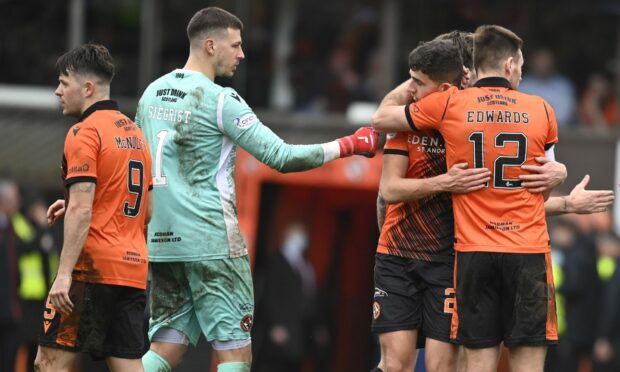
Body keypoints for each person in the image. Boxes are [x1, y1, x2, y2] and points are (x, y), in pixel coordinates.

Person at [135, 7, 378, 372]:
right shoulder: (220, 101)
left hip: (162, 244)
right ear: (211, 45)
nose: (242, 54)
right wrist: (350, 145)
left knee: (164, 349)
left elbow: (135, 167)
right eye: (236, 45)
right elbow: (281, 156)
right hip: (211, 242)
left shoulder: (151, 95)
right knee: (236, 356)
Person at [372, 36, 614, 372]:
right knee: (396, 365)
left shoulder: (452, 109)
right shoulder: (416, 121)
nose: (411, 89)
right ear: (510, 65)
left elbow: (501, 200)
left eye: (417, 82)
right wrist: (446, 181)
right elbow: (389, 188)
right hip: (405, 253)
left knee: (447, 367)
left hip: (453, 257)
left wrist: (567, 201)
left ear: (447, 85)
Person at [34, 43, 153, 372]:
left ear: (87, 88)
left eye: (63, 83)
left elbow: (82, 211)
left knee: (49, 364)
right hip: (131, 273)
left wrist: (62, 276)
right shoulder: (137, 133)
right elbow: (148, 209)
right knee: (128, 365)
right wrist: (76, 200)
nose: (58, 91)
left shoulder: (84, 132)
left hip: (90, 271)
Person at [519, 48, 576, 126]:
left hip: (560, 131)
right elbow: (519, 113)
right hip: (529, 130)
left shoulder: (564, 85)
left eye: (546, 61)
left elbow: (566, 115)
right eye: (540, 61)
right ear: (532, 63)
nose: (543, 65)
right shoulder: (523, 85)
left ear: (553, 63)